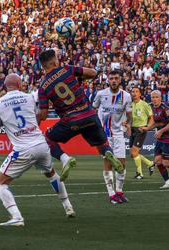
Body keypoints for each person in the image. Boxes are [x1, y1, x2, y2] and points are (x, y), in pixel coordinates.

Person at [0, 73, 75, 227]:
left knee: (0, 183)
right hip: (41, 145)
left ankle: (16, 217)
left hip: (23, 149)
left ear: (5, 86)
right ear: (20, 84)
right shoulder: (29, 97)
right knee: (51, 174)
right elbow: (39, 116)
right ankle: (68, 206)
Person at [38, 49, 124, 183]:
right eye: (57, 58)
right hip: (89, 115)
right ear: (54, 62)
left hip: (71, 121)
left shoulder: (43, 86)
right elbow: (93, 73)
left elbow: (43, 115)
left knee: (47, 138)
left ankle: (64, 159)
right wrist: (79, 78)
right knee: (102, 143)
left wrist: (35, 119)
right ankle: (107, 152)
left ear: (43, 66)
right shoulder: (66, 69)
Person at [93, 70, 132, 204]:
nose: (113, 81)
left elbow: (129, 116)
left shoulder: (126, 96)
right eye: (111, 78)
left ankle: (119, 192)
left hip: (118, 133)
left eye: (116, 78)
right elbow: (93, 110)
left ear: (120, 80)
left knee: (121, 164)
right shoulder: (101, 94)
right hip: (104, 135)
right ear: (108, 80)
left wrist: (128, 124)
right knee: (108, 162)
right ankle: (111, 194)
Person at [142, 90, 169, 189]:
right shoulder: (152, 107)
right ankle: (168, 182)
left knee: (165, 163)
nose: (154, 99)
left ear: (160, 98)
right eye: (152, 97)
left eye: (156, 97)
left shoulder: (165, 109)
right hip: (160, 139)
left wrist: (161, 131)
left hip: (168, 139)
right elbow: (155, 122)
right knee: (158, 161)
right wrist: (147, 128)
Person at [130, 87, 155, 179]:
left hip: (141, 130)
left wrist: (147, 128)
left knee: (134, 152)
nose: (134, 93)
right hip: (132, 129)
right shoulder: (130, 104)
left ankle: (140, 174)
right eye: (133, 92)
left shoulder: (145, 104)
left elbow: (152, 118)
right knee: (133, 153)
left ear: (140, 94)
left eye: (136, 92)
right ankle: (150, 164)